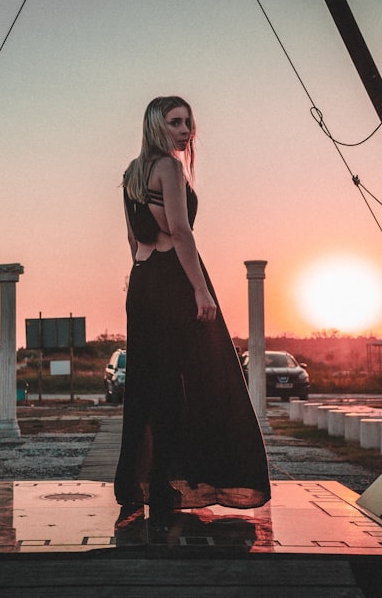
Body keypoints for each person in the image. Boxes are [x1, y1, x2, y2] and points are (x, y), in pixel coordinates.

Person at [114, 96, 271, 521]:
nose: (186, 131)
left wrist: (145, 278)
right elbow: (181, 232)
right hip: (172, 281)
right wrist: (201, 291)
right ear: (156, 127)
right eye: (175, 122)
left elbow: (133, 242)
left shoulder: (131, 172)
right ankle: (165, 486)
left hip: (142, 282)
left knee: (145, 386)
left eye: (188, 122)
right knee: (191, 380)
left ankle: (132, 484)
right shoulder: (168, 167)